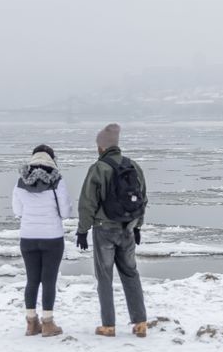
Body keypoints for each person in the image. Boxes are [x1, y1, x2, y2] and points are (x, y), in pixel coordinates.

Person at [76, 123, 148, 337]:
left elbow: (87, 202)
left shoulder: (98, 168)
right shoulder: (133, 166)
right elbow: (142, 199)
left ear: (101, 147)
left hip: (104, 230)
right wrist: (138, 227)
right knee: (131, 273)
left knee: (105, 277)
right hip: (128, 229)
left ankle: (108, 325)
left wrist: (82, 230)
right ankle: (140, 323)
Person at [11, 144, 73, 337]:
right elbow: (65, 212)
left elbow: (17, 211)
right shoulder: (58, 181)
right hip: (52, 238)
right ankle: (47, 323)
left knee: (32, 280)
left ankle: (31, 323)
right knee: (49, 280)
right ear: (52, 159)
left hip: (28, 237)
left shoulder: (20, 182)